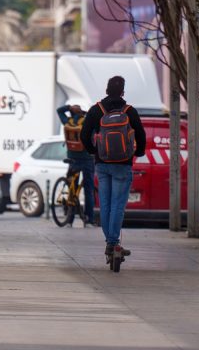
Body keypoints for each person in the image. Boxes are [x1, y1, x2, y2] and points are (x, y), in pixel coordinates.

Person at [79, 75, 146, 257]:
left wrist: (94, 151)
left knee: (106, 204)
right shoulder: (129, 111)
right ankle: (113, 242)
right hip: (123, 165)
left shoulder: (96, 110)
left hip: (102, 164)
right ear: (123, 91)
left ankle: (110, 242)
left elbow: (84, 135)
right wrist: (138, 152)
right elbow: (141, 136)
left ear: (106, 90)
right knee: (118, 205)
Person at [56, 103, 96, 228]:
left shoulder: (67, 121)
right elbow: (95, 120)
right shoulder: (87, 122)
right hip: (87, 159)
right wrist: (84, 112)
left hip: (72, 159)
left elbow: (59, 110)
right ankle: (89, 219)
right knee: (89, 190)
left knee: (71, 188)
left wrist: (69, 108)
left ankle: (70, 219)